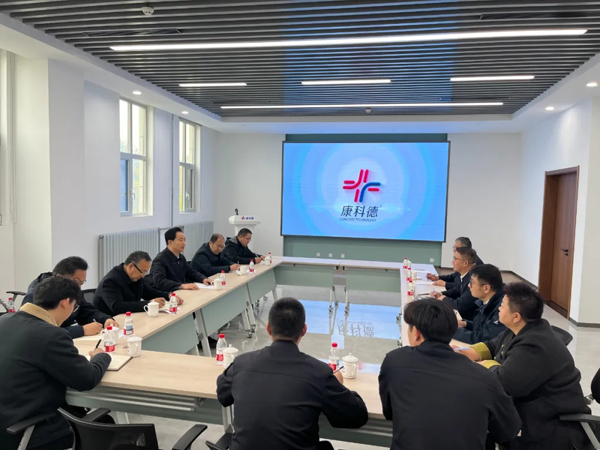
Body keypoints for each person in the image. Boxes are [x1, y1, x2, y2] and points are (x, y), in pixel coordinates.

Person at [217, 297, 368, 450]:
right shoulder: (318, 373)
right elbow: (357, 416)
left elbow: (223, 395)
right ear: (304, 330)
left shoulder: (241, 364)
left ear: (268, 328)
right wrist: (339, 385)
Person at [456, 283, 590, 450]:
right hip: (530, 410)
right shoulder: (520, 328)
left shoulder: (535, 345)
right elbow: (494, 345)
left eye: (502, 305)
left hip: (550, 425)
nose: (499, 308)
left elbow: (505, 382)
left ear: (516, 316)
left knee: (476, 418)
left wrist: (485, 364)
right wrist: (466, 352)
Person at [379, 299, 520, 450]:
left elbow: (390, 412)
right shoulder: (484, 378)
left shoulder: (394, 362)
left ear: (417, 333)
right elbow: (508, 430)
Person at [0, 276, 111, 450]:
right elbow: (87, 379)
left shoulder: (4, 320)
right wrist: (101, 356)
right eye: (75, 306)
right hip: (27, 431)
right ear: (66, 302)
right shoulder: (51, 334)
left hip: (7, 419)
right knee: (104, 426)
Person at [22, 256, 117, 338]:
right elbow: (38, 332)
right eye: (76, 281)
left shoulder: (71, 289)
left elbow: (85, 311)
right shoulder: (37, 295)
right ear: (60, 277)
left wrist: (105, 319)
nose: (79, 287)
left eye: (82, 282)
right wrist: (81, 330)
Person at [93, 251, 183, 315]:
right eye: (142, 272)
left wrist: (168, 296)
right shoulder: (110, 281)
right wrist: (149, 303)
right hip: (109, 323)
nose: (143, 276)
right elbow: (117, 307)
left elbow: (148, 292)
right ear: (131, 266)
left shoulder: (136, 277)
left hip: (129, 317)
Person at [453, 264, 506, 344]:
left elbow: (483, 338)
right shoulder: (489, 298)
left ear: (486, 288)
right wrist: (465, 324)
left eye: (472, 283)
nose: (468, 285)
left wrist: (451, 330)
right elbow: (482, 326)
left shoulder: (502, 308)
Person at [148, 227, 211, 292]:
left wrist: (203, 279)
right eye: (180, 240)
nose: (184, 243)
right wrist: (181, 285)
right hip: (167, 295)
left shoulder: (181, 257)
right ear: (170, 242)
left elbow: (190, 272)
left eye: (184, 240)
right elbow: (159, 281)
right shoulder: (160, 260)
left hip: (180, 292)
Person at [431, 247, 479, 321]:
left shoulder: (473, 280)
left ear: (465, 263)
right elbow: (456, 290)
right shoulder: (463, 275)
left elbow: (459, 305)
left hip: (468, 319)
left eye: (455, 259)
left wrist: (443, 298)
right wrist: (441, 294)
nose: (452, 261)